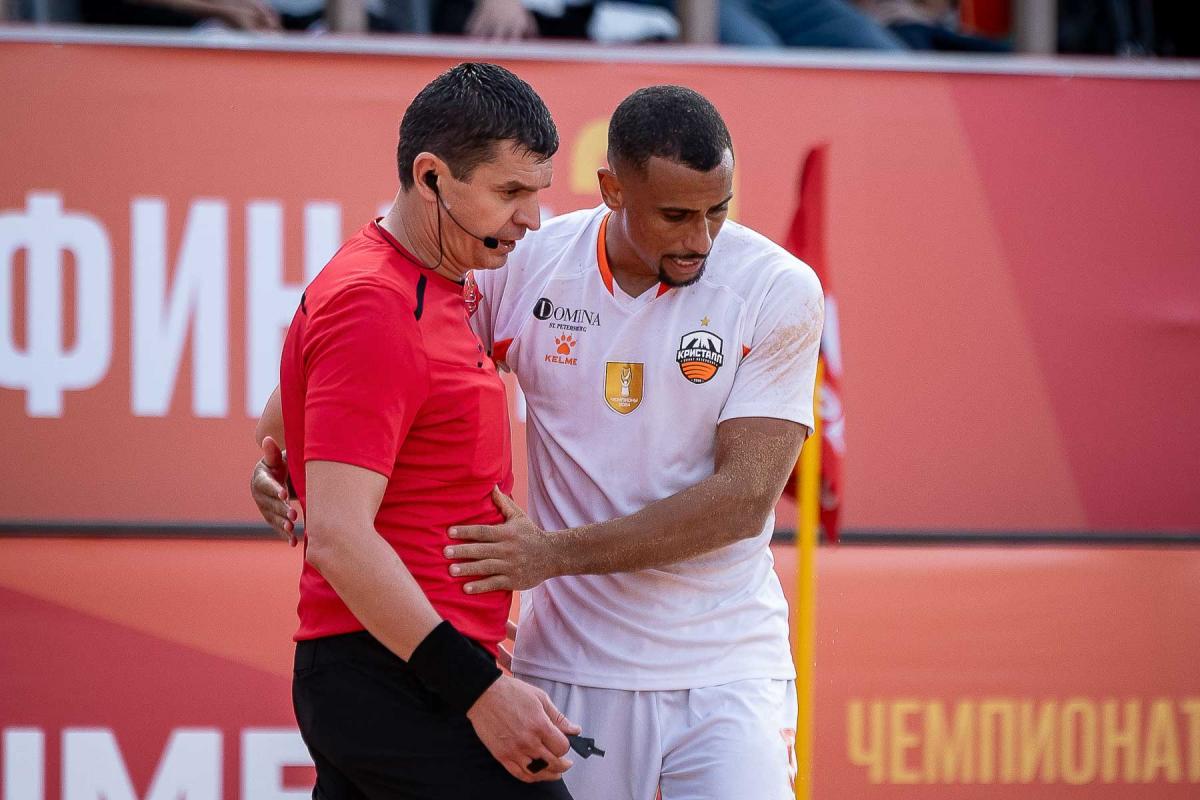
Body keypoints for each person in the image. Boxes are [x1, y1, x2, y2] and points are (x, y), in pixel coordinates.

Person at [255, 85, 823, 799]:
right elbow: (343, 374)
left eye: (718, 210)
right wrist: (280, 459)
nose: (700, 240)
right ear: (613, 191)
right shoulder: (526, 263)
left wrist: (552, 555)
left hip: (728, 666)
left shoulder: (777, 286)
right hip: (568, 665)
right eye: (676, 216)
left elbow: (743, 501)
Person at [264, 62, 578, 799]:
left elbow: (279, 419)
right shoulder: (376, 303)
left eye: (537, 192)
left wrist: (279, 467)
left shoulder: (422, 281)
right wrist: (479, 689)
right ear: (431, 176)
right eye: (510, 193)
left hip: (395, 668)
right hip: (398, 677)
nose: (531, 219)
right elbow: (339, 537)